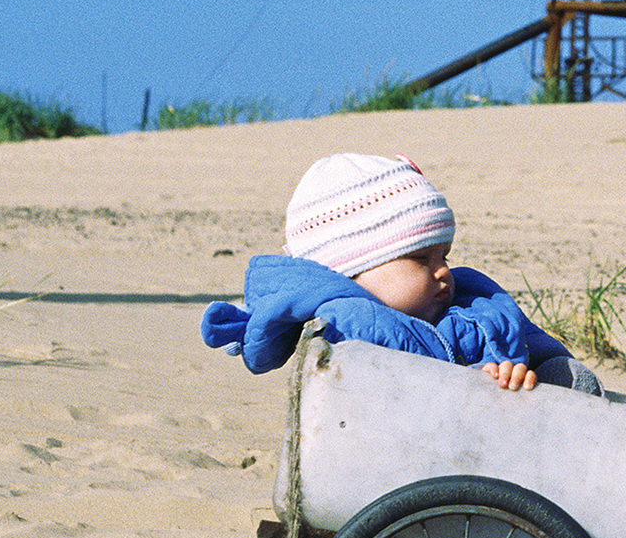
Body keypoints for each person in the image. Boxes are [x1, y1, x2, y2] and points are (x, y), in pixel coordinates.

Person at [200, 152, 600, 394]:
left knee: (570, 379)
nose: (443, 272)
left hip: (495, 433)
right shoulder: (347, 325)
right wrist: (478, 380)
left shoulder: (473, 301)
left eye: (444, 255)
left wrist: (518, 368)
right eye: (420, 259)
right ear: (354, 270)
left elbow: (531, 342)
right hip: (422, 452)